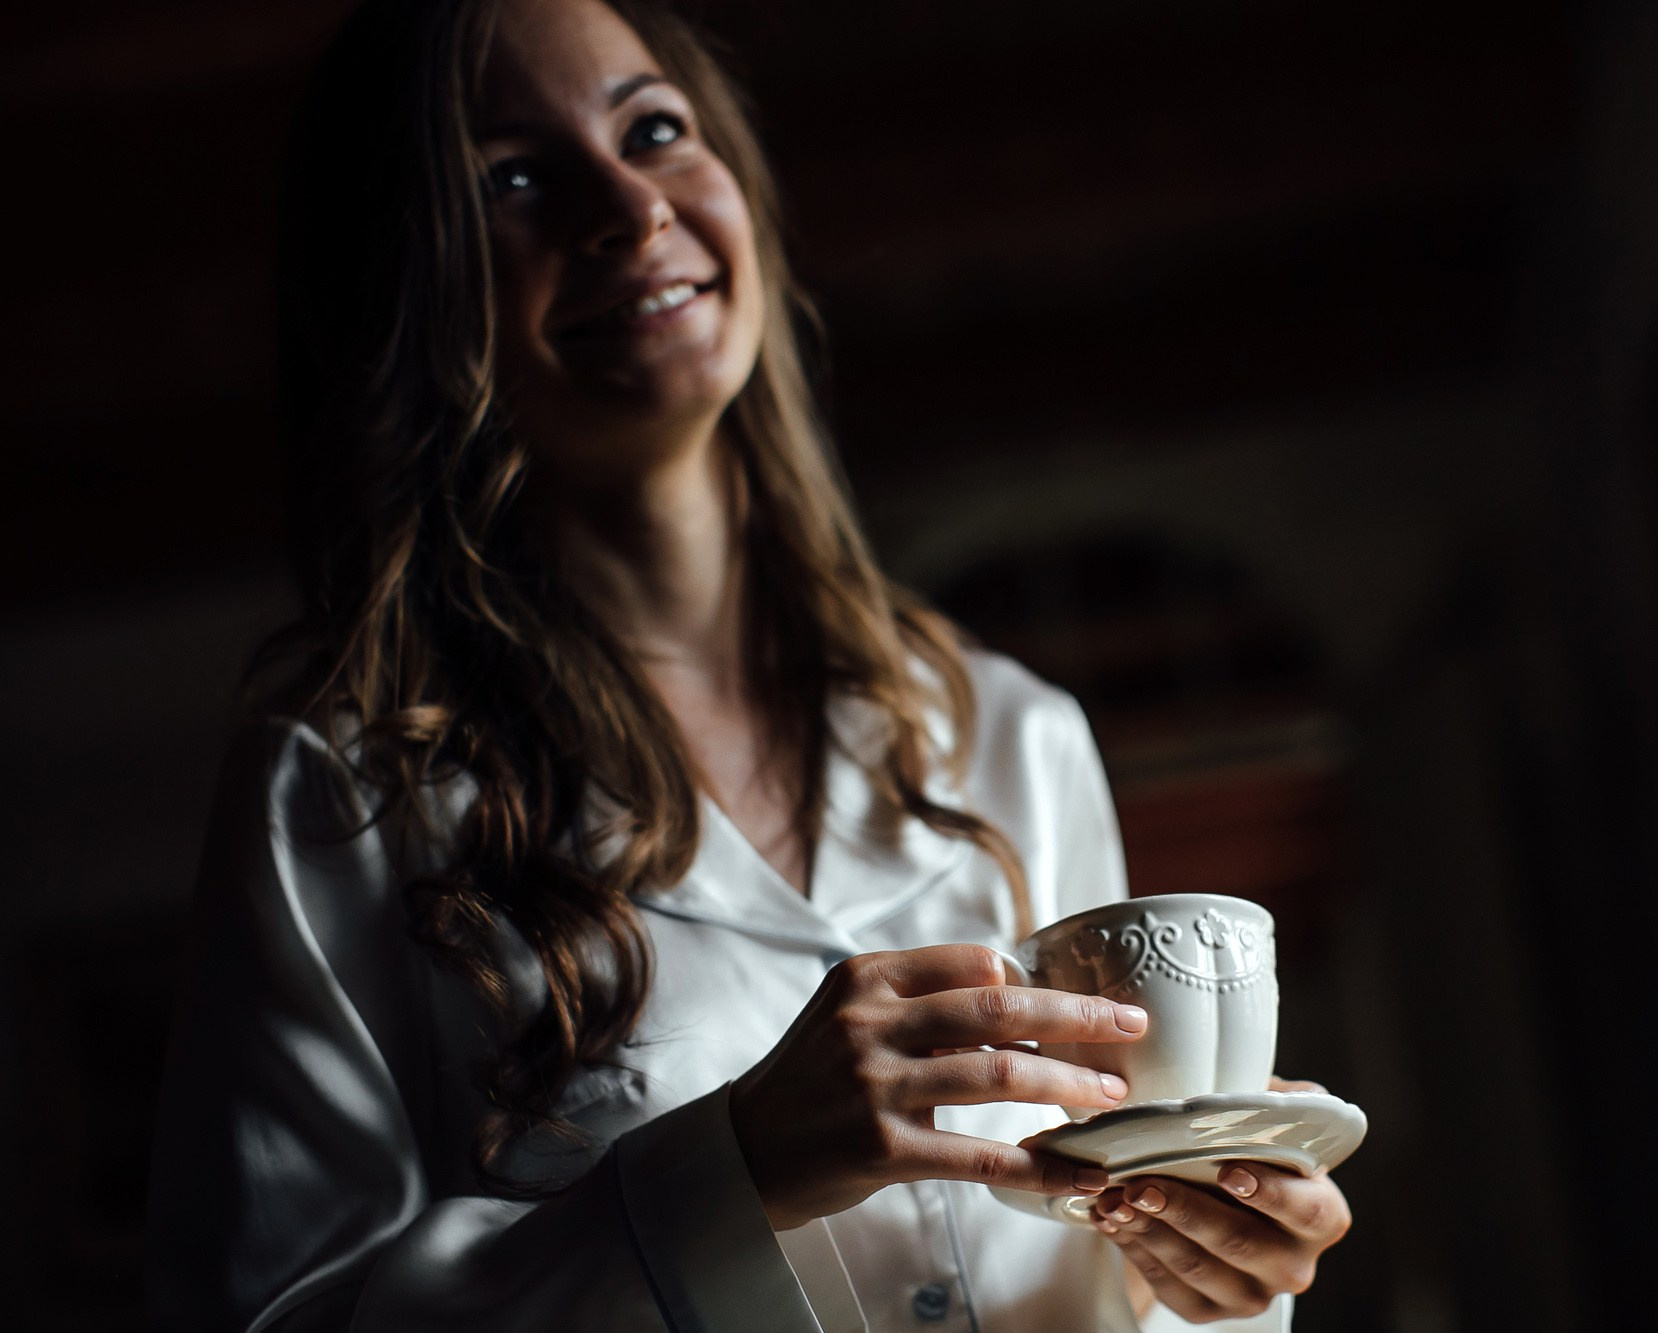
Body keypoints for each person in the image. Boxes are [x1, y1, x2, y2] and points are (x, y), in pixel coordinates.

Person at [142, 0, 1352, 1328]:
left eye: (653, 129)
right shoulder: (343, 786)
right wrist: (731, 1171)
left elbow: (1106, 1265)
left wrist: (1218, 1278)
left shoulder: (1012, 734)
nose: (631, 210)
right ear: (406, 284)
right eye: (515, 177)